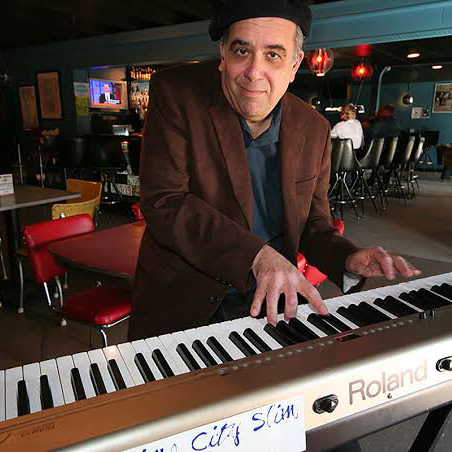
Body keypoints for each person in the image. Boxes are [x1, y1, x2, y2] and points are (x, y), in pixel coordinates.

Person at [130, 0, 420, 343]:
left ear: (295, 64)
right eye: (242, 51)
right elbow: (165, 201)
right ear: (223, 54)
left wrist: (346, 257)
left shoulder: (314, 128)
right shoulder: (176, 93)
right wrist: (256, 256)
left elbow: (313, 223)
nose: (254, 72)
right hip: (188, 301)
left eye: (273, 55)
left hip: (276, 298)